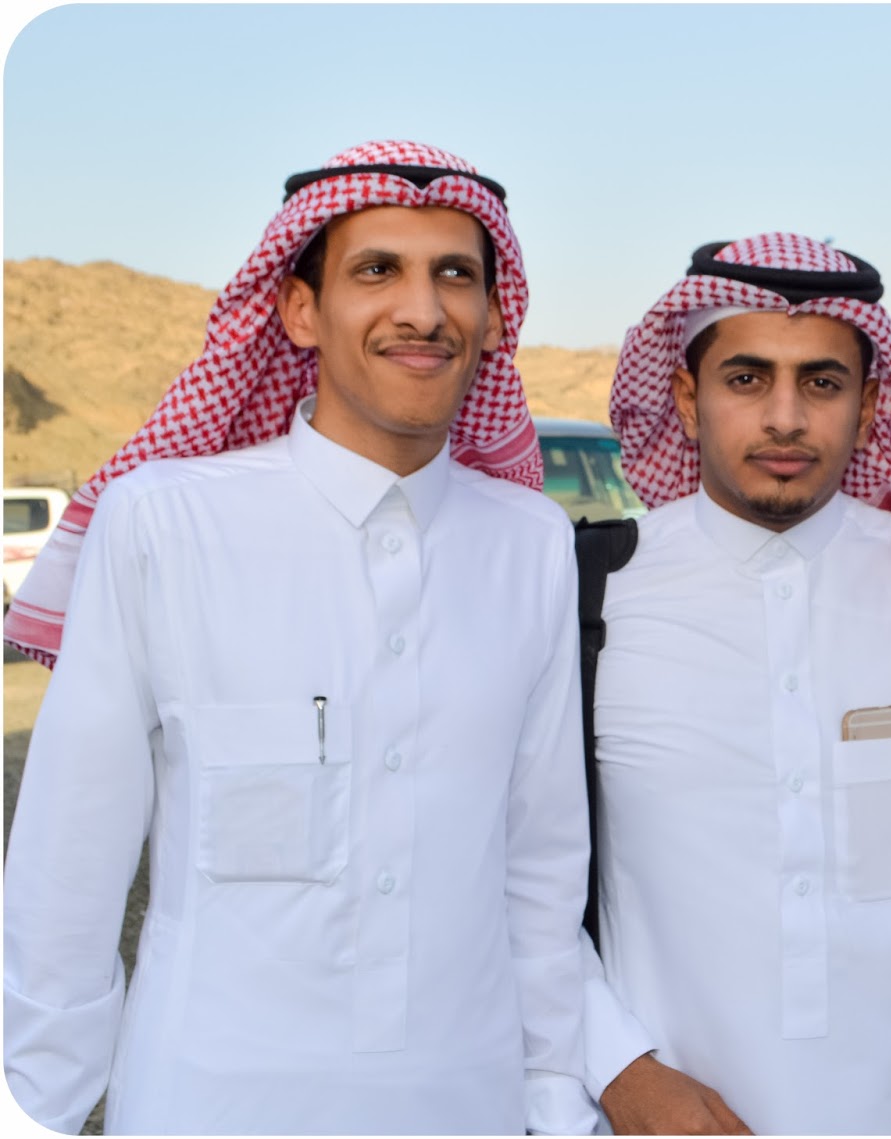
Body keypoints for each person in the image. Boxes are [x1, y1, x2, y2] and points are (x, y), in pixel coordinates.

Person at [2, 141, 595, 1135]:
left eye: (456, 274)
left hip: (468, 1102)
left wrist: (554, 1102)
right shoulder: (166, 523)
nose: (423, 309)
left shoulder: (528, 541)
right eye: (379, 270)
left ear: (495, 317)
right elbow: (69, 867)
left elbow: (538, 871)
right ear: (298, 310)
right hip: (210, 1105)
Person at [578, 233, 891, 1134]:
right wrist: (619, 1072)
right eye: (747, 378)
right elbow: (517, 884)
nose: (785, 417)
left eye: (823, 382)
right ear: (687, 398)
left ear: (869, 410)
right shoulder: (594, 594)